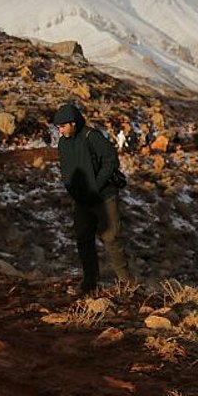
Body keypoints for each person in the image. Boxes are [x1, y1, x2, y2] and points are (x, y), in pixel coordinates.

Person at [54, 102, 130, 294]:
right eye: (58, 127)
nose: (60, 131)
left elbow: (111, 160)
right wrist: (72, 189)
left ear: (72, 123)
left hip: (103, 196)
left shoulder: (91, 136)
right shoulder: (63, 142)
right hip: (82, 199)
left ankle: (127, 285)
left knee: (111, 238)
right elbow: (66, 168)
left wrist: (96, 185)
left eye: (62, 126)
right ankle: (90, 283)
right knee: (83, 238)